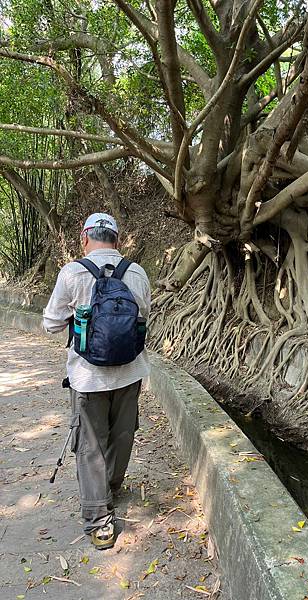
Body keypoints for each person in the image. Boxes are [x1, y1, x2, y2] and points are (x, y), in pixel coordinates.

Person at [43, 212, 151, 549]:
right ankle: (112, 487)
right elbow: (144, 316)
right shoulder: (137, 272)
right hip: (131, 372)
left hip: (87, 377)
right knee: (122, 434)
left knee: (90, 444)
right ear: (117, 240)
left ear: (85, 237)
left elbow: (51, 323)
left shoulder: (73, 272)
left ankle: (98, 519)